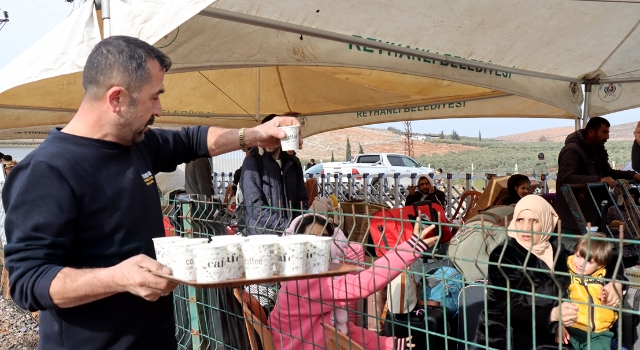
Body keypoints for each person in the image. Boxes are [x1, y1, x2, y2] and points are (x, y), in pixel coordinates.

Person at [2, 36, 301, 350]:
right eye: (154, 97)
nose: (159, 109)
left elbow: (193, 140)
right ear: (116, 98)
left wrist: (256, 134)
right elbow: (27, 282)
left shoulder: (136, 145)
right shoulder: (46, 171)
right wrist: (118, 278)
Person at [269, 213, 438, 350]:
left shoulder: (305, 277)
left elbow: (345, 331)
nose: (317, 244)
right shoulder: (302, 282)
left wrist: (387, 344)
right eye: (310, 238)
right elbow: (361, 284)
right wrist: (410, 249)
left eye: (324, 238)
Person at [475, 195, 623, 350]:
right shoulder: (505, 255)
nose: (526, 227)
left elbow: (608, 256)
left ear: (546, 222)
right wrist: (552, 315)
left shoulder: (557, 248)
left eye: (534, 220)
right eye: (520, 219)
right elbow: (511, 309)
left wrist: (616, 282)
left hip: (558, 334)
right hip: (509, 336)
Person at [556, 117, 640, 235]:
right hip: (574, 220)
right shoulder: (572, 150)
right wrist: (599, 180)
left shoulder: (597, 151)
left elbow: (609, 173)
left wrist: (633, 175)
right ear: (591, 132)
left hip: (594, 215)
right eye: (604, 132)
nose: (607, 137)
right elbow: (568, 177)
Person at [240, 114, 308, 236]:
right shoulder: (253, 161)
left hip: (289, 237)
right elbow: (254, 206)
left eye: (274, 136)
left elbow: (301, 200)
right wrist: (286, 227)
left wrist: (298, 226)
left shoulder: (293, 163)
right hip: (261, 238)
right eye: (267, 136)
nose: (269, 141)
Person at [560, 233, 619, 350]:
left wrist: (607, 298)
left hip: (599, 334)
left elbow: (614, 302)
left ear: (599, 265)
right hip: (571, 329)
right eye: (578, 256)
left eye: (588, 261)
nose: (580, 263)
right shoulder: (565, 271)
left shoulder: (604, 277)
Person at [606, 186, 640, 267]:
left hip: (635, 243)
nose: (632, 200)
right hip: (619, 244)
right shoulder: (612, 210)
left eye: (634, 198)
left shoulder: (637, 210)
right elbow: (606, 227)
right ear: (621, 199)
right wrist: (613, 227)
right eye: (629, 198)